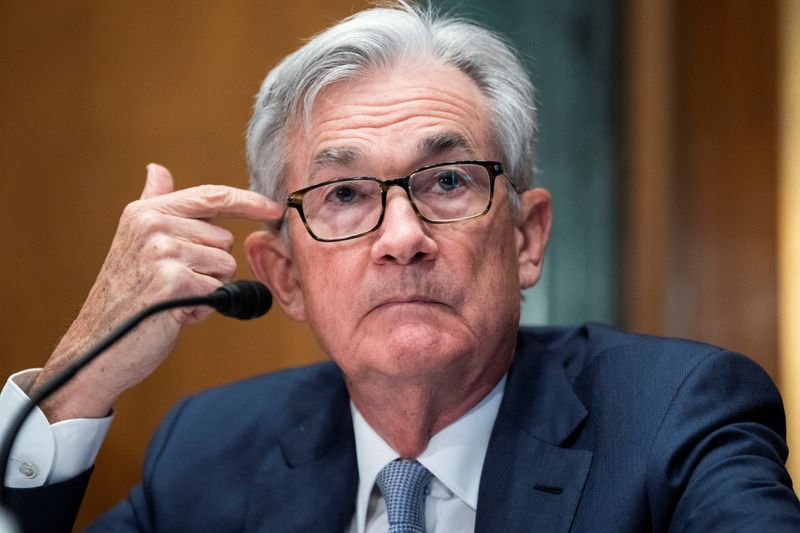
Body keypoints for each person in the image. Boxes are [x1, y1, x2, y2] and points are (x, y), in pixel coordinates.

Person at [2, 3, 800, 532]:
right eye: (345, 193)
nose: (402, 235)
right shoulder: (210, 452)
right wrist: (80, 378)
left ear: (527, 238)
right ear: (283, 276)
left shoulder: (675, 419)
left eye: (448, 181)